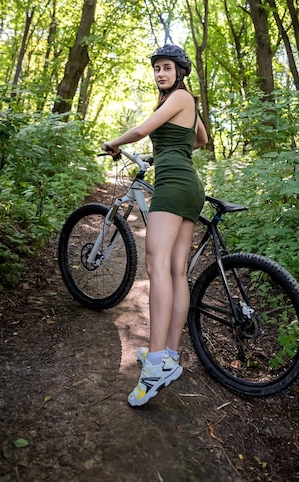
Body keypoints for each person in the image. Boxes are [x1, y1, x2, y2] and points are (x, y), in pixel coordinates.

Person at [102, 44, 208, 407]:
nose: (161, 73)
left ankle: (157, 361)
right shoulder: (184, 103)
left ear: (180, 72)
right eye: (157, 68)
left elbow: (141, 130)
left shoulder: (178, 96)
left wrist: (114, 143)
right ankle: (170, 356)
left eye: (167, 67)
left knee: (155, 265)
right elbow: (201, 138)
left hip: (174, 185)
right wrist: (171, 148)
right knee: (177, 271)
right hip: (189, 185)